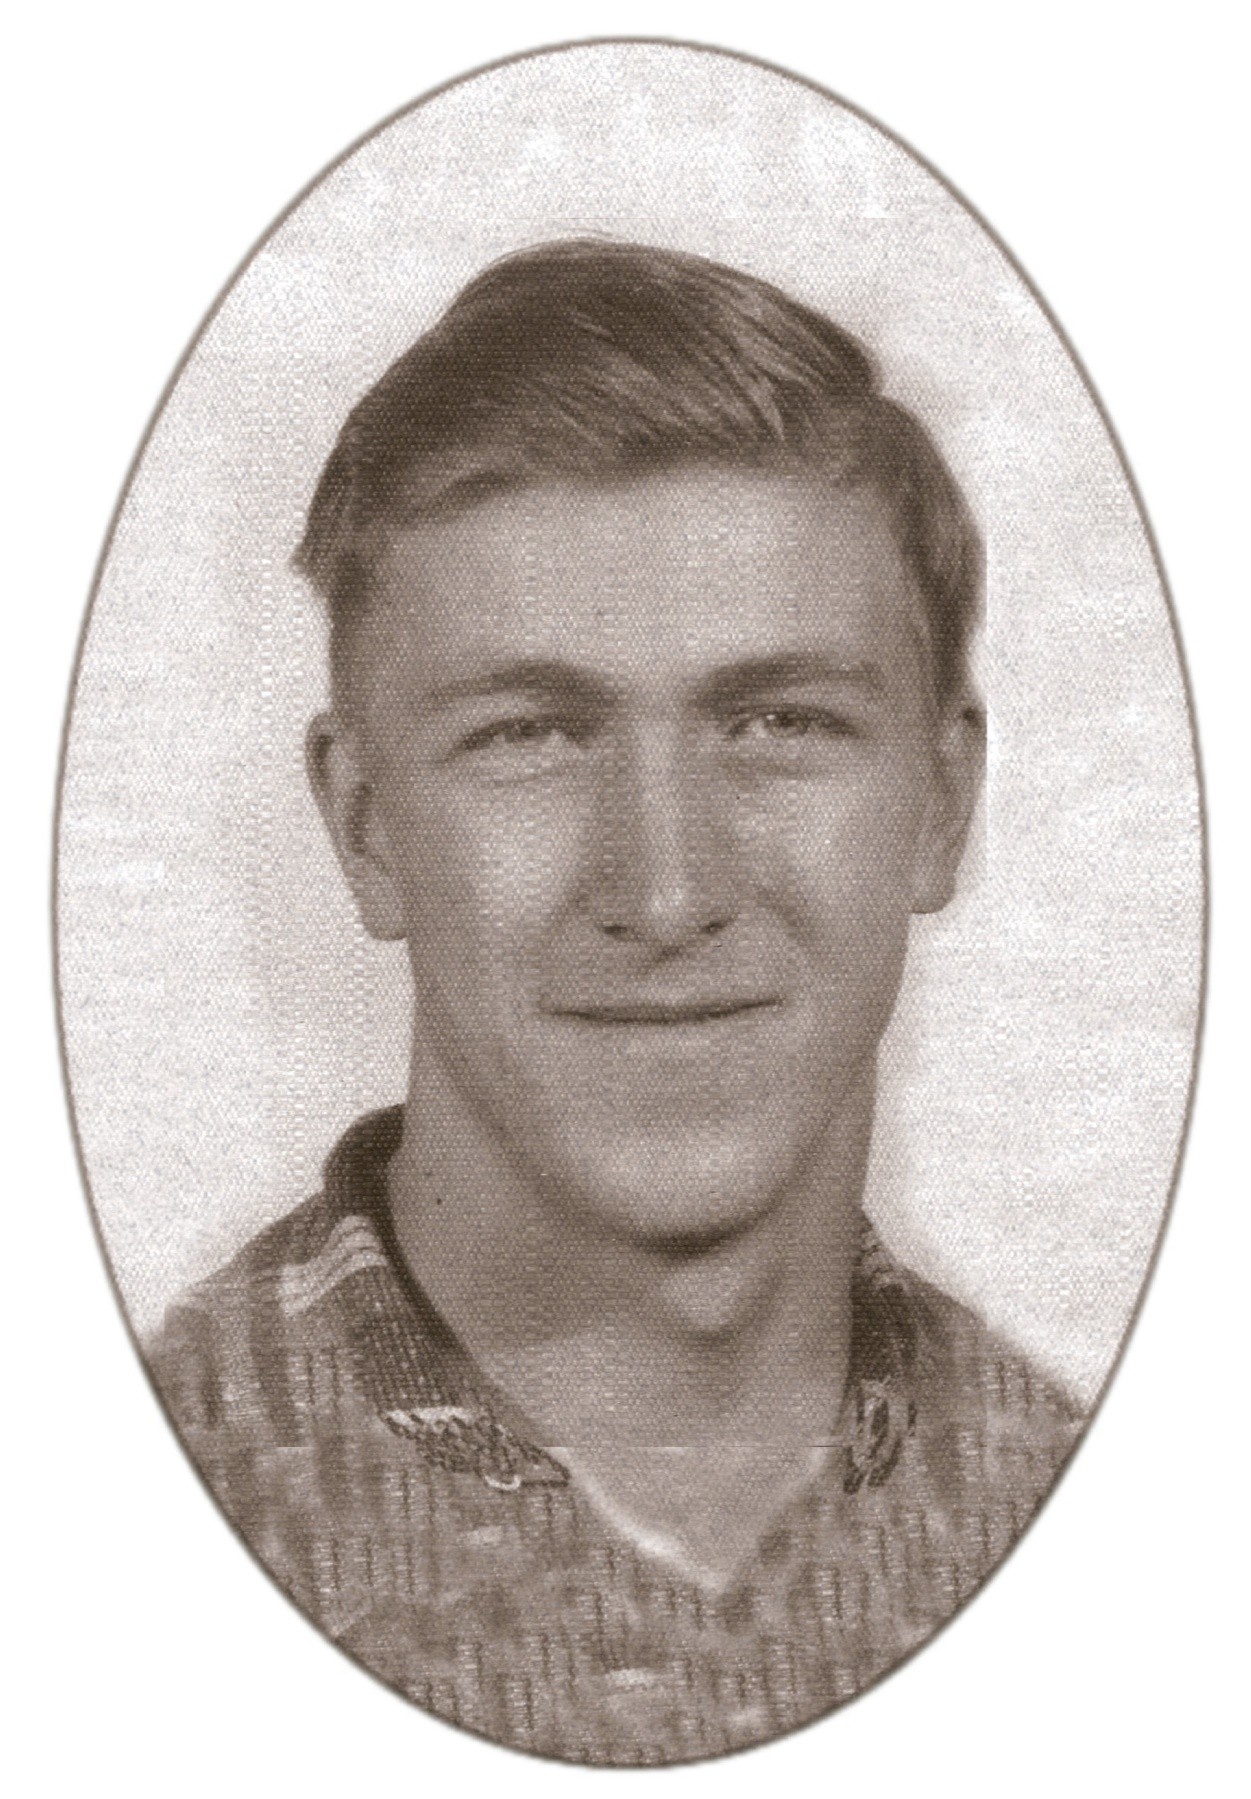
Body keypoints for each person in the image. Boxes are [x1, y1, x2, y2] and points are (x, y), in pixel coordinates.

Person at [150, 239, 1083, 1765]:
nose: (665, 891)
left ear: (941, 802)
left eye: (780, 723)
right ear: (365, 829)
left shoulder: (1107, 1521)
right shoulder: (102, 1513)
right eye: (530, 734)